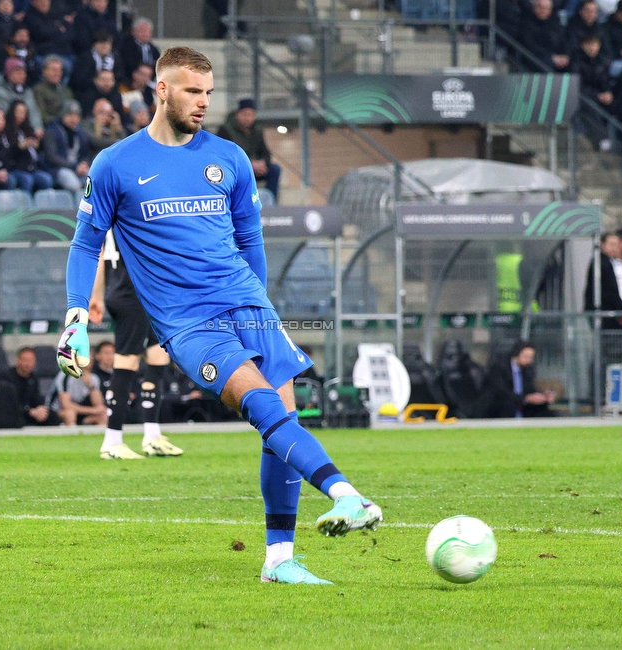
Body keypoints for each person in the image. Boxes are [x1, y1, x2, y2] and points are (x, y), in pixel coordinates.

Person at [57, 46, 382, 584]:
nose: (203, 102)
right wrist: (74, 317)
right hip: (189, 323)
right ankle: (345, 494)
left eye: (209, 92)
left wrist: (262, 305)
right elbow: (85, 244)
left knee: (283, 421)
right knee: (257, 402)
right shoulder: (115, 164)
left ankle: (280, 561)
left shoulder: (229, 158)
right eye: (192, 91)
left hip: (248, 305)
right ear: (161, 90)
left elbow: (249, 237)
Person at [87, 232, 183, 459]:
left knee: (159, 356)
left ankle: (152, 435)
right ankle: (112, 440)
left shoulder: (113, 219)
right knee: (126, 363)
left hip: (139, 295)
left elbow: (102, 256)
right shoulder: (135, 211)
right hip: (132, 295)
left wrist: (98, 296)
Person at [217, 98, 281, 201]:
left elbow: (265, 152)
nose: (248, 118)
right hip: (237, 170)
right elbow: (225, 156)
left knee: (274, 170)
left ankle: (272, 204)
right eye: (245, 114)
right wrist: (249, 165)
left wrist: (262, 163)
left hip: (255, 170)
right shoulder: (226, 130)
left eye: (251, 115)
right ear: (238, 114)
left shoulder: (257, 130)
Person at [483, 341, 555, 418]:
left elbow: (530, 388)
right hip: (500, 408)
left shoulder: (528, 370)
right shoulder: (499, 369)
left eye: (531, 357)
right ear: (516, 354)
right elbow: (501, 392)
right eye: (526, 356)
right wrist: (525, 398)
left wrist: (542, 396)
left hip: (523, 408)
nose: (529, 360)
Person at [585, 232, 622, 329]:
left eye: (616, 245)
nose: (614, 248)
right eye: (611, 244)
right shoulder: (601, 264)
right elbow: (609, 290)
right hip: (604, 313)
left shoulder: (605, 262)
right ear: (602, 244)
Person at [5, 99, 54, 192]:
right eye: (18, 112)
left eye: (23, 112)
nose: (21, 115)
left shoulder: (27, 129)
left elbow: (38, 149)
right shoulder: (7, 129)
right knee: (27, 180)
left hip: (32, 168)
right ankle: (24, 204)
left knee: (46, 179)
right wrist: (20, 146)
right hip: (16, 168)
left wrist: (38, 141)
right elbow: (7, 151)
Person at [42, 99, 90, 191]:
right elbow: (52, 157)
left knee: (96, 183)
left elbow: (85, 153)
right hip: (58, 169)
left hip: (78, 168)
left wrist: (84, 164)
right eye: (70, 115)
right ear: (63, 115)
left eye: (76, 116)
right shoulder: (52, 130)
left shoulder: (80, 132)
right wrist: (74, 167)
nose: (74, 119)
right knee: (74, 185)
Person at [0, 57, 44, 133]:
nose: (22, 76)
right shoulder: (0, 92)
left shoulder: (27, 91)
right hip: (9, 132)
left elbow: (33, 111)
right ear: (9, 74)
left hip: (27, 130)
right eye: (18, 73)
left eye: (24, 72)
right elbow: (5, 116)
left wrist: (37, 127)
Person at [7, 346, 55, 426]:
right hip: (15, 413)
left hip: (31, 413)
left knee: (52, 417)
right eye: (25, 360)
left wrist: (40, 408)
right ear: (18, 361)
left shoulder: (33, 378)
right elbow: (10, 404)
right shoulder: (9, 378)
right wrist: (30, 411)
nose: (28, 364)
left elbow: (36, 398)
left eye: (31, 361)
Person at [518, 0, 569, 72]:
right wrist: (551, 57)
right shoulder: (526, 23)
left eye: (546, 8)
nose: (543, 10)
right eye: (540, 7)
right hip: (533, 58)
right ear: (533, 8)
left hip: (556, 57)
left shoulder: (556, 23)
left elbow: (564, 41)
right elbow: (529, 45)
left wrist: (564, 56)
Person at [33, 56, 75, 126]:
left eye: (60, 70)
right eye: (54, 70)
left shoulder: (66, 90)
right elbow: (42, 115)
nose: (57, 74)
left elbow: (72, 109)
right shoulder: (38, 90)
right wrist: (62, 121)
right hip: (50, 126)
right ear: (44, 71)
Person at [117, 17, 159, 83]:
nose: (145, 34)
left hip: (149, 83)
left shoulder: (154, 50)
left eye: (148, 31)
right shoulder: (125, 46)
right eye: (142, 31)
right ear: (133, 32)